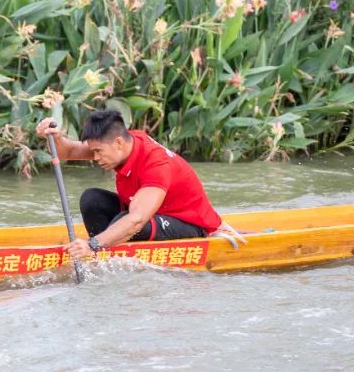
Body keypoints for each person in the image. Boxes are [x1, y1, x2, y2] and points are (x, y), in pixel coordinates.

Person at [36, 109, 239, 260]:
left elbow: (136, 220)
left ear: (118, 143)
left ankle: (98, 249)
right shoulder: (124, 142)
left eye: (98, 151)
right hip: (151, 215)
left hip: (191, 225)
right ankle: (104, 256)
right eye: (93, 151)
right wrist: (56, 138)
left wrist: (92, 244)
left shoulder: (156, 164)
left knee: (128, 222)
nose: (95, 157)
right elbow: (68, 152)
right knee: (92, 199)